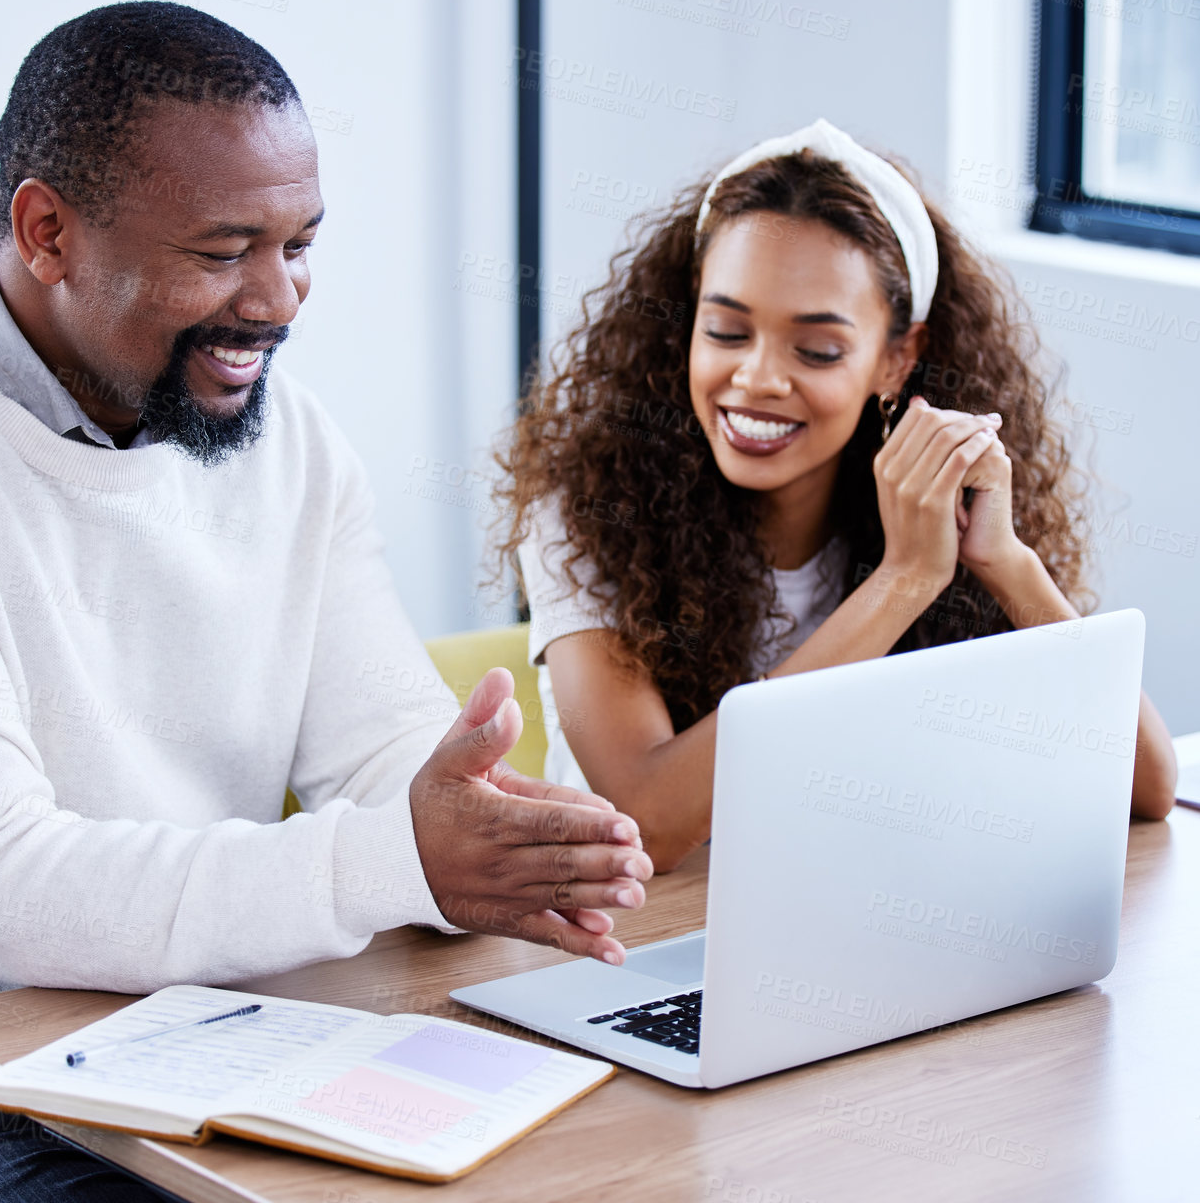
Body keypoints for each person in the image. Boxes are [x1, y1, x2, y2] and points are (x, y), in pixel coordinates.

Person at [0, 3, 654, 1203]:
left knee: (603, 1172)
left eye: (301, 243)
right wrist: (401, 855)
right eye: (224, 248)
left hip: (200, 1047)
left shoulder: (287, 441)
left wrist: (491, 833)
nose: (279, 298)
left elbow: (380, 756)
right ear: (47, 232)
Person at [495, 118, 1176, 873]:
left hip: (841, 920)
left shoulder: (924, 505)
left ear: (897, 359)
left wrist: (1007, 562)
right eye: (725, 331)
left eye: (816, 349)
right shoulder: (586, 509)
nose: (756, 378)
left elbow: (1146, 789)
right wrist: (904, 581)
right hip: (624, 942)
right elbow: (647, 819)